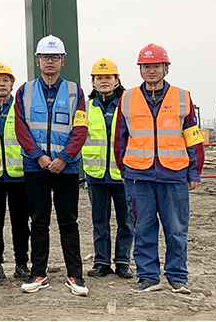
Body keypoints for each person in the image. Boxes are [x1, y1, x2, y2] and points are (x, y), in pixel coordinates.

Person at [114, 43, 204, 294]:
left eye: (156, 66)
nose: (151, 71)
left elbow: (193, 137)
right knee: (143, 228)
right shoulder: (127, 98)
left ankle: (177, 276)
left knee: (176, 229)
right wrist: (124, 170)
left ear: (166, 68)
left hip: (174, 174)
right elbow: (120, 138)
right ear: (140, 69)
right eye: (146, 66)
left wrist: (194, 171)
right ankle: (148, 276)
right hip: (138, 175)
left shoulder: (182, 97)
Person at [14, 35, 89, 296]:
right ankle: (38, 274)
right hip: (36, 168)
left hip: (66, 168)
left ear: (62, 61)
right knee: (38, 222)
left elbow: (80, 128)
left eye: (55, 57)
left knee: (69, 222)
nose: (50, 61)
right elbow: (21, 127)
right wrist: (38, 156)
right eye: (45, 57)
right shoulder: (25, 91)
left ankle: (75, 275)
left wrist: (64, 158)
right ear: (37, 61)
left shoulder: (75, 92)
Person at [83, 58, 134, 280]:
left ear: (116, 80)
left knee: (126, 221)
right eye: (99, 78)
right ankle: (101, 261)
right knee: (99, 222)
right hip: (95, 175)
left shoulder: (128, 106)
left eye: (108, 77)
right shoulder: (85, 108)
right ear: (93, 82)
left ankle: (123, 261)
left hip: (123, 174)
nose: (104, 81)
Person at [0, 63, 30, 284]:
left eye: (6, 80)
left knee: (21, 224)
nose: (2, 84)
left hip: (19, 175)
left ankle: (22, 264)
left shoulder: (21, 108)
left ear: (12, 84)